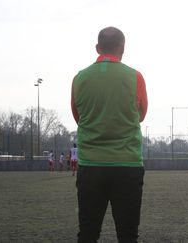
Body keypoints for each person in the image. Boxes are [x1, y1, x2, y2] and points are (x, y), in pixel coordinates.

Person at [71, 26, 148, 242]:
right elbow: (140, 116)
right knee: (128, 233)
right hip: (127, 165)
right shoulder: (135, 77)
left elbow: (79, 117)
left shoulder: (79, 79)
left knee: (88, 232)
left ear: (97, 48)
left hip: (91, 166)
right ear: (123, 48)